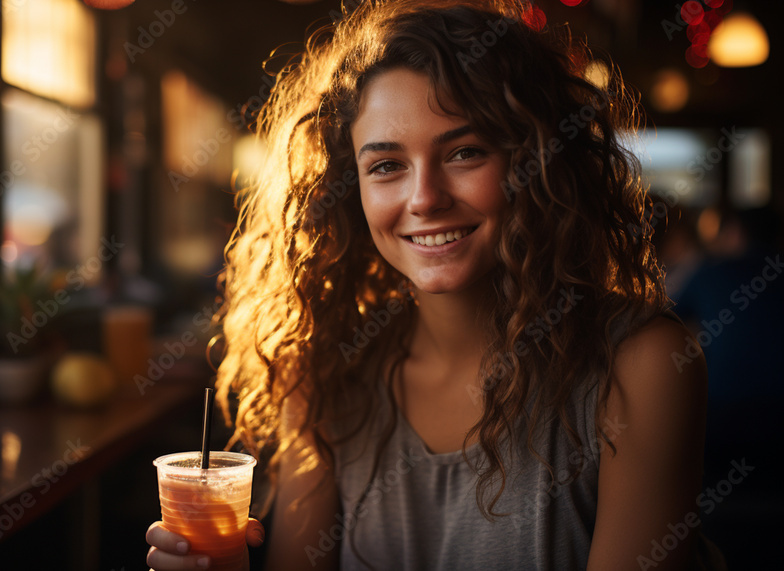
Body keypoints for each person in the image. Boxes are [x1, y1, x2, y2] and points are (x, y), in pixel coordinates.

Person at [146, 1, 724, 569]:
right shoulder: (324, 371)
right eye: (386, 165)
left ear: (538, 162)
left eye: (465, 153)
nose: (424, 198)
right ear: (350, 189)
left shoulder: (640, 366)